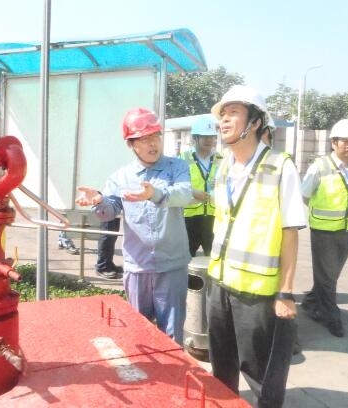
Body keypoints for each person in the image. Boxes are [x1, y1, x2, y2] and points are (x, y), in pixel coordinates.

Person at [206, 85, 307, 408]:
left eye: (233, 112)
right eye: (222, 114)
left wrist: (286, 293)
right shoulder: (224, 165)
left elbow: (290, 232)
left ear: (255, 122)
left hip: (257, 292)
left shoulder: (280, 166)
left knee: (261, 376)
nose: (224, 120)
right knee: (221, 369)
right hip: (219, 284)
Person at [76, 107, 192, 345]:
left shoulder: (177, 167)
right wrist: (98, 201)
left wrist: (155, 194)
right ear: (131, 144)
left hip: (172, 266)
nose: (153, 144)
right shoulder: (120, 177)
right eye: (145, 139)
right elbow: (109, 211)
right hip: (138, 266)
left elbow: (184, 194)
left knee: (172, 336)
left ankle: (174, 369)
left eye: (156, 136)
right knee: (140, 334)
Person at [300, 119, 348, 338]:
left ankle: (310, 301)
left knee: (330, 275)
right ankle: (331, 317)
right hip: (324, 231)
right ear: (333, 143)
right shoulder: (320, 167)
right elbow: (304, 194)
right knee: (328, 278)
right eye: (345, 141)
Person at [181, 115, 222, 257]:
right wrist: (192, 192)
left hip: (214, 217)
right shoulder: (183, 159)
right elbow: (175, 185)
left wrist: (221, 184)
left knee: (214, 259)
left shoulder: (222, 159)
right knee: (185, 259)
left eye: (211, 137)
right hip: (189, 219)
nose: (209, 140)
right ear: (195, 138)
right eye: (204, 137)